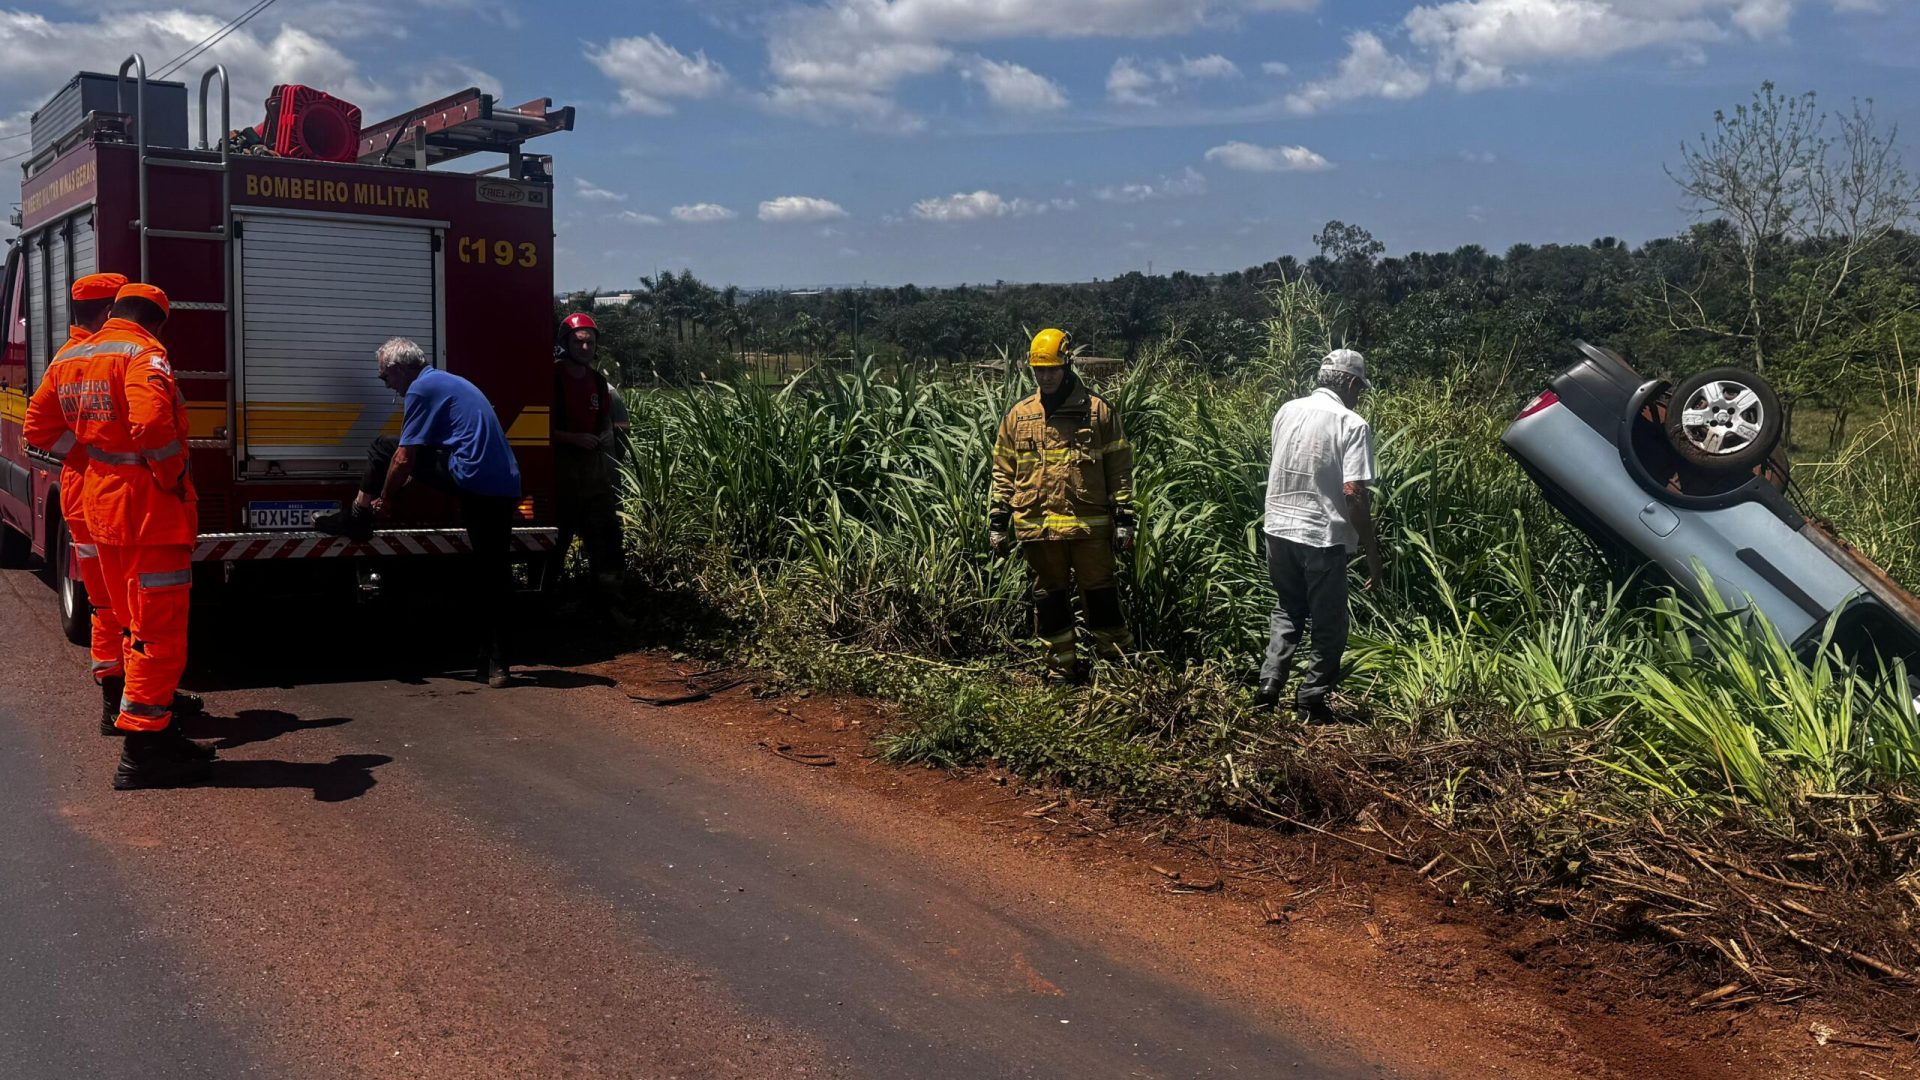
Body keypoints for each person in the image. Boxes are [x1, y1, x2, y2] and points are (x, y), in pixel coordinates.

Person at [34, 283, 214, 787]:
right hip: (146, 514)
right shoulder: (142, 352)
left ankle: (146, 728)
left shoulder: (79, 354)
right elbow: (153, 424)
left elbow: (39, 424)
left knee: (128, 621)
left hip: (104, 508)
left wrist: (92, 457)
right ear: (158, 321)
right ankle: (143, 750)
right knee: (158, 633)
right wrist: (170, 475)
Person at [312, 339, 523, 687]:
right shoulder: (446, 382)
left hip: (471, 479)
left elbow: (403, 458)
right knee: (493, 573)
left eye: (385, 377)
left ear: (400, 369)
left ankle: (359, 518)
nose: (386, 384)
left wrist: (386, 498)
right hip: (504, 485)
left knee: (383, 446)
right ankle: (496, 664)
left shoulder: (421, 390)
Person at [988, 328, 1136, 684]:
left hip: (1088, 528)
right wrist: (998, 519)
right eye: (1040, 370)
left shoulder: (1097, 412)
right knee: (1049, 601)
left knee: (1101, 597)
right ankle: (1060, 670)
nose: (1046, 376)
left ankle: (1116, 669)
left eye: (1052, 369)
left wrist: (1124, 517)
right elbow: (1003, 468)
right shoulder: (1019, 416)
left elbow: (1119, 468)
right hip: (1037, 528)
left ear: (1067, 365)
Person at [1255, 348, 1385, 722]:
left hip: (1278, 528)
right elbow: (1353, 493)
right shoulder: (1351, 423)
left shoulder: (1287, 410)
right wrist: (1372, 553)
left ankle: (1270, 686)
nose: (1359, 394)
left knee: (1287, 609)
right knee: (1330, 623)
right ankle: (1311, 700)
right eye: (1358, 387)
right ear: (1347, 382)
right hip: (1321, 535)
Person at [550, 312, 626, 606]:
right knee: (556, 543)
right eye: (579, 342)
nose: (585, 348)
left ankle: (608, 603)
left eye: (590, 343)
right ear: (565, 343)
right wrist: (571, 438)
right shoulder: (550, 378)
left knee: (606, 540)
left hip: (595, 476)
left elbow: (607, 427)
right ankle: (547, 603)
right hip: (561, 474)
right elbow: (537, 427)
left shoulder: (598, 383)